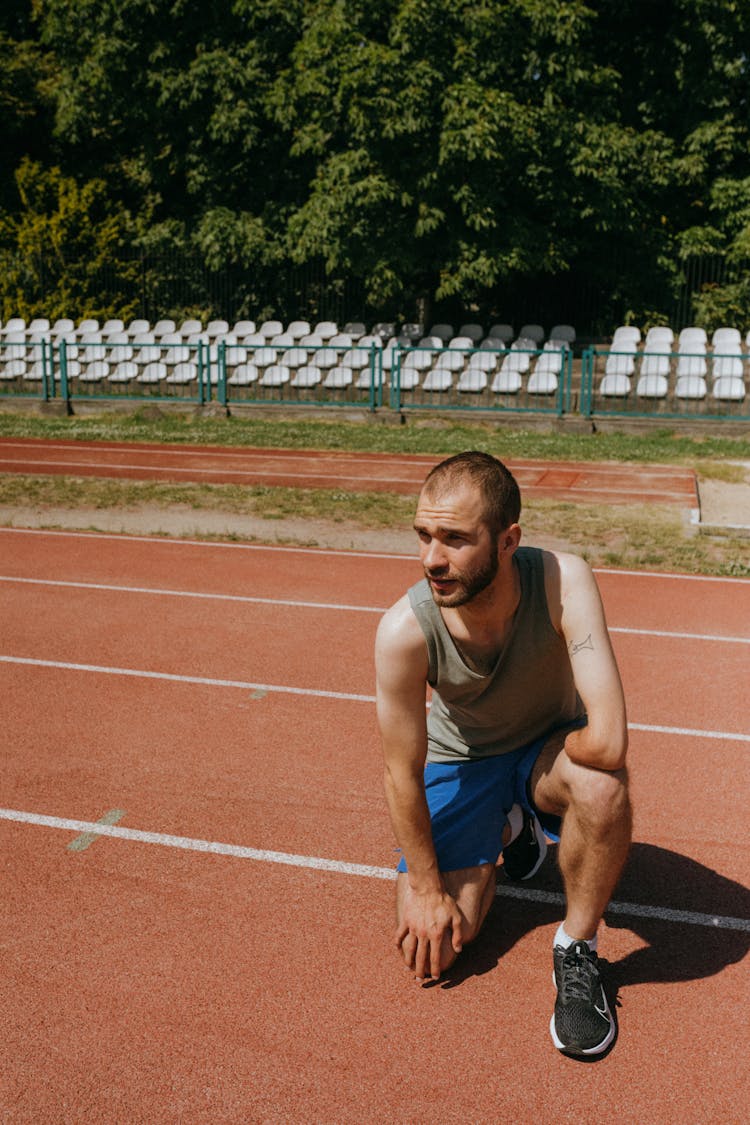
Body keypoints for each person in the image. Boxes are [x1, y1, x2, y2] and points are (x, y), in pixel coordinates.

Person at [375, 450, 631, 1056]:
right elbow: (400, 773)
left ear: (509, 539)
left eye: (455, 539)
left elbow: (610, 739)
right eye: (423, 535)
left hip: (545, 750)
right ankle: (510, 829)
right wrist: (431, 890)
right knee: (436, 948)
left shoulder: (564, 582)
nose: (431, 559)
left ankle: (576, 949)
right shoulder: (403, 632)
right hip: (461, 761)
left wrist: (543, 758)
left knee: (602, 785)